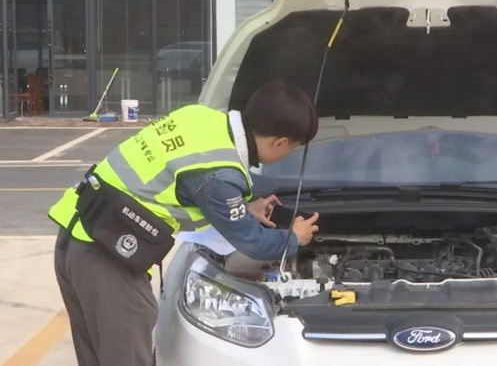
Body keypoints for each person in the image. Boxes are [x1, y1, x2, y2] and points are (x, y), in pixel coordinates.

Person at [49, 81, 321, 366]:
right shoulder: (220, 174)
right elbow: (253, 242)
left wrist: (242, 209)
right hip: (107, 258)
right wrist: (293, 238)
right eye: (292, 149)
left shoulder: (199, 116)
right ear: (279, 143)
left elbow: (179, 186)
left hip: (78, 236)